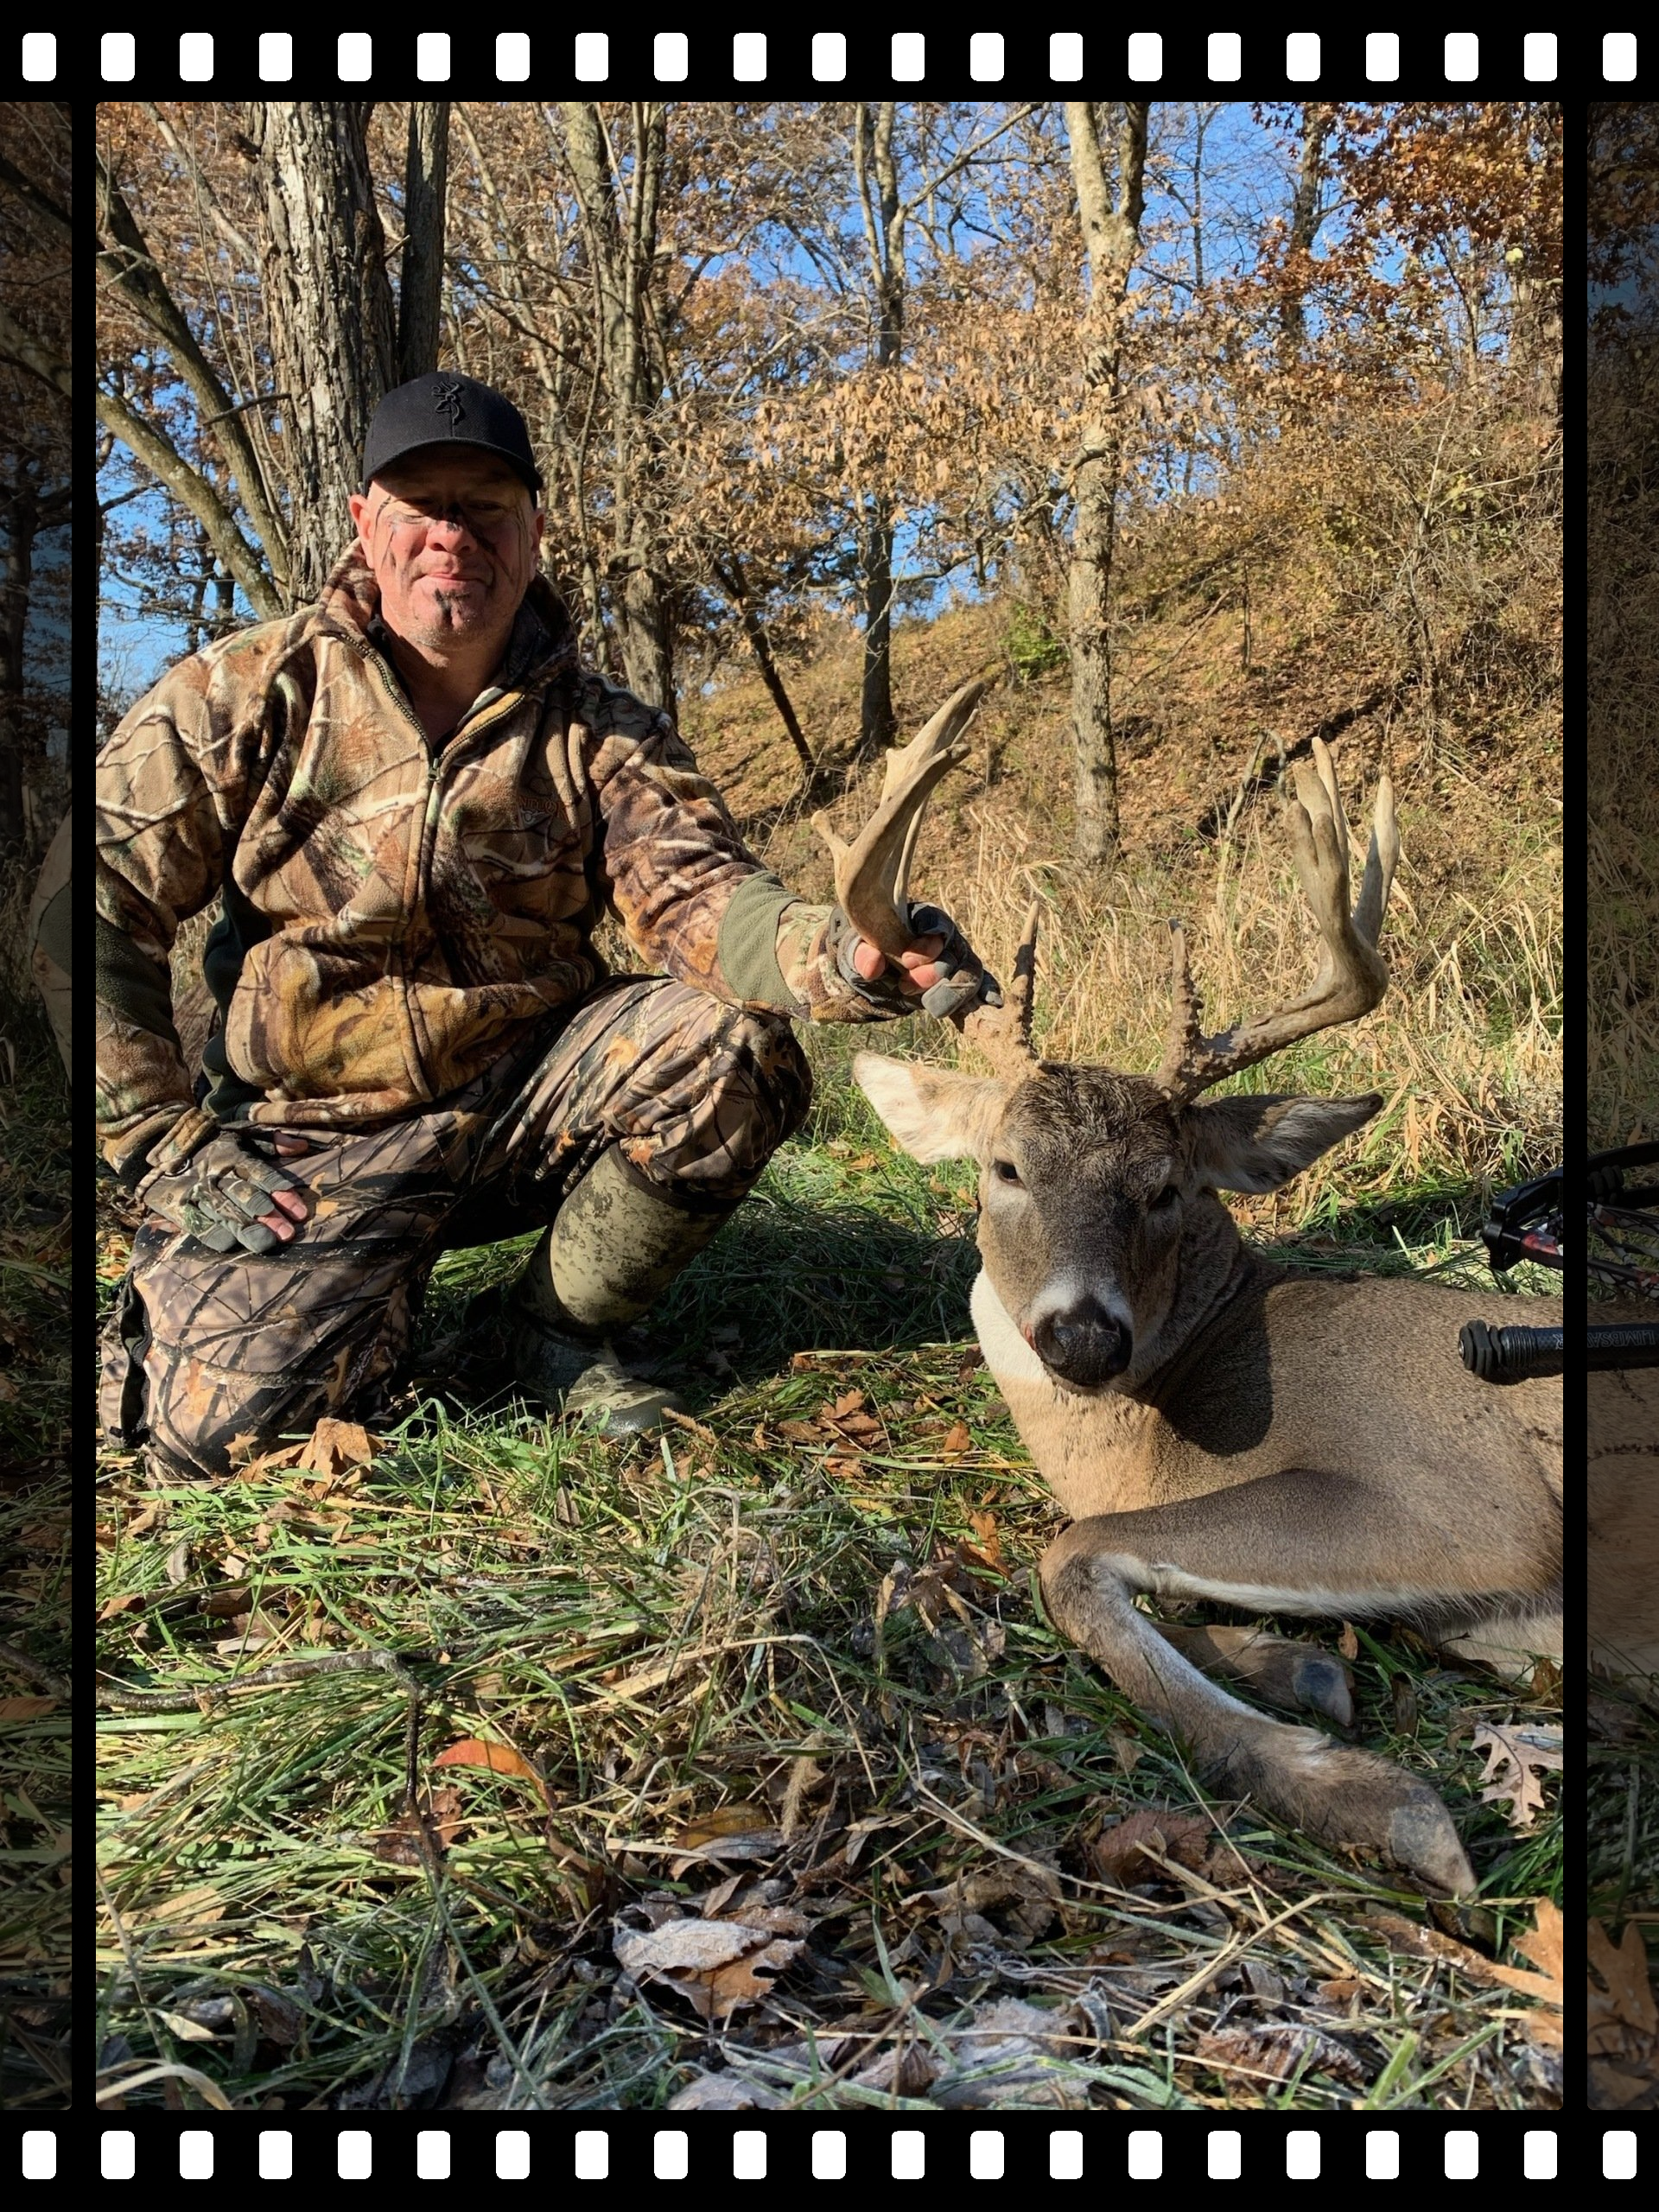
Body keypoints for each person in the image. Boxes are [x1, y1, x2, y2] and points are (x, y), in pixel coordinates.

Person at [96, 371, 988, 1478]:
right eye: (421, 506)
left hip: (522, 1100)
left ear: (533, 527)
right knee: (209, 1439)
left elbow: (704, 898)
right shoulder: (244, 691)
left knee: (732, 1049)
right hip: (304, 1134)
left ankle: (549, 1334)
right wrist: (160, 1138)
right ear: (367, 523)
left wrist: (845, 952)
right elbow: (89, 904)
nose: (450, 536)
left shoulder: (599, 726)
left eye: (484, 505)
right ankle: (338, 1294)